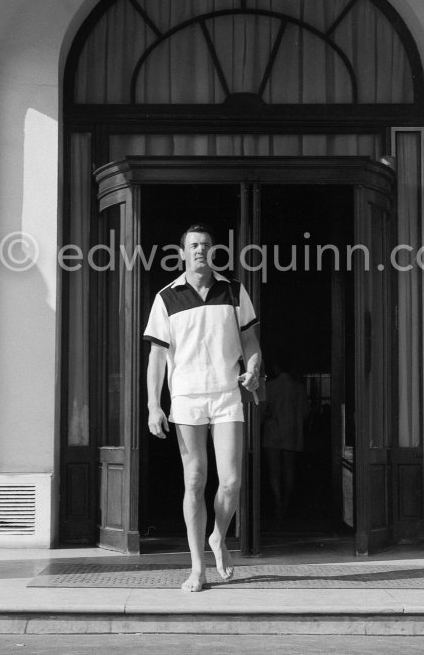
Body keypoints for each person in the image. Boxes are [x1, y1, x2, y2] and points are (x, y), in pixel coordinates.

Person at [144, 223, 261, 592]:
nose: (200, 250)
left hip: (227, 394)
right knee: (194, 480)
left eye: (206, 245)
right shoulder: (167, 297)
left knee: (231, 481)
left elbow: (251, 342)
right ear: (181, 253)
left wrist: (255, 367)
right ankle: (197, 568)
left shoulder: (235, 291)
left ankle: (218, 537)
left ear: (214, 252)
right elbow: (157, 357)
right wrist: (153, 405)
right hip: (187, 398)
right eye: (193, 245)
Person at [262, 360, 309, 522]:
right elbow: (305, 413)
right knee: (289, 469)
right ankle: (286, 503)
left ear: (276, 367)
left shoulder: (270, 386)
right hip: (293, 432)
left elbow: (262, 412)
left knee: (274, 470)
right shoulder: (299, 387)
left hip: (272, 430)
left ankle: (277, 501)